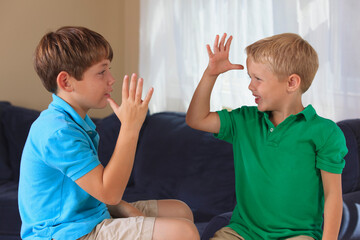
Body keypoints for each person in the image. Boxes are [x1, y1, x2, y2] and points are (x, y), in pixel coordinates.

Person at [18, 26, 199, 240]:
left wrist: (123, 209)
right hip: (65, 233)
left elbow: (94, 188)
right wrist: (130, 127)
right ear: (66, 82)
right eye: (102, 71)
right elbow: (109, 191)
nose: (111, 79)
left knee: (180, 210)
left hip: (89, 215)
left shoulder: (75, 122)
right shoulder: (57, 132)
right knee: (183, 232)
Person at [186, 33, 348, 240]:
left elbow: (333, 195)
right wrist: (211, 74)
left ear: (291, 83)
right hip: (241, 233)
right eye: (250, 77)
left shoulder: (325, 132)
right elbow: (196, 119)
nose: (250, 86)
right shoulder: (244, 120)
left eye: (258, 79)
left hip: (298, 235)